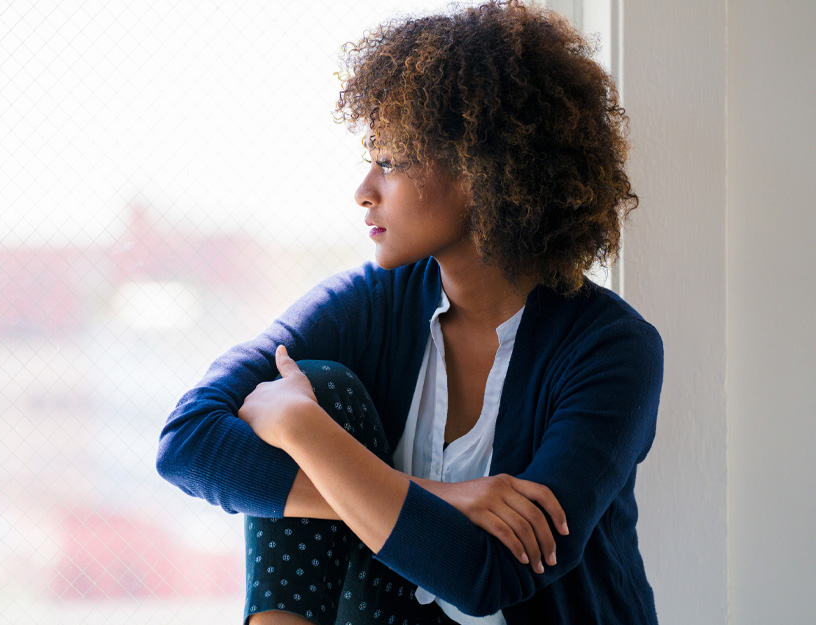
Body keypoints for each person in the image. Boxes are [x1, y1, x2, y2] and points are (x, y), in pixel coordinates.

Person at [157, 2, 664, 624]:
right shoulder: (367, 303)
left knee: (311, 408)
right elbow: (186, 442)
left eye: (390, 162)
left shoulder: (612, 349)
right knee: (321, 386)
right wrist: (442, 495)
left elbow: (494, 575)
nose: (364, 191)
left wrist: (304, 430)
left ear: (479, 172)